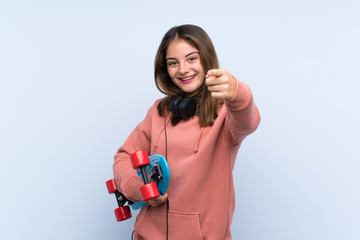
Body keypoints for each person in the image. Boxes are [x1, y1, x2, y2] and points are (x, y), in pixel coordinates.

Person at [113, 24, 260, 240]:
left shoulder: (226, 114)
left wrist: (238, 93)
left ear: (206, 60)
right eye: (173, 63)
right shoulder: (158, 111)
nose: (182, 69)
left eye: (191, 59)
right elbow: (123, 157)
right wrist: (140, 190)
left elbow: (249, 121)